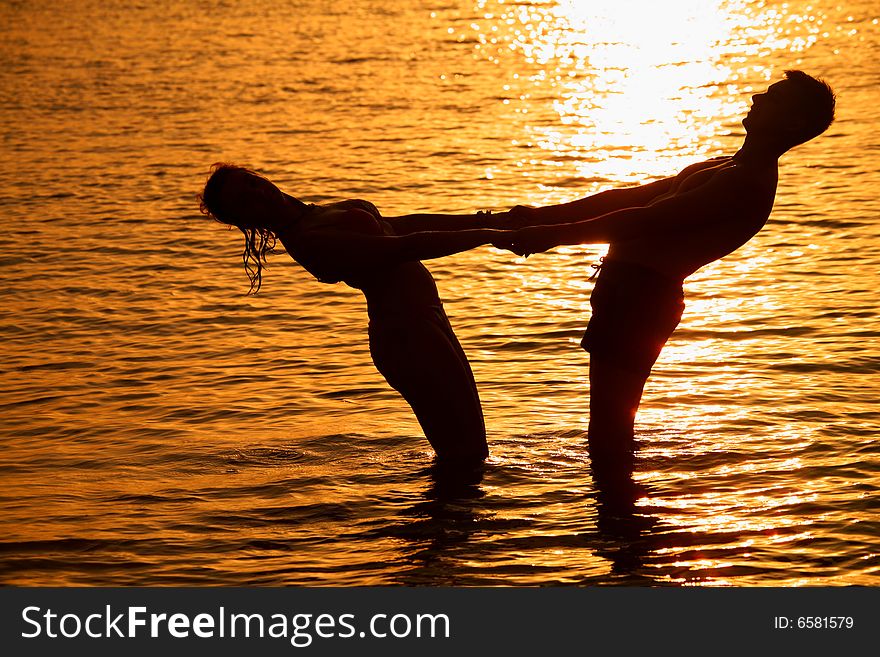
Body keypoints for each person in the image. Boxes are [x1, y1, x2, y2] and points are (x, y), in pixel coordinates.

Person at [498, 70, 836, 479]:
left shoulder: (748, 181)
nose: (756, 96)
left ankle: (620, 530)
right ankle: (618, 522)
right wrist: (540, 217)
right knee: (608, 431)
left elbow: (646, 219)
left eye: (773, 97)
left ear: (794, 123)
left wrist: (548, 236)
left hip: (642, 301)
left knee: (609, 434)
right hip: (626, 294)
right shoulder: (723, 165)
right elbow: (627, 198)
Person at [198, 164, 509, 465]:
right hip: (408, 336)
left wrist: (497, 221)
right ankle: (438, 516)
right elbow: (404, 247)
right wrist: (490, 234)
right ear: (245, 218)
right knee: (464, 458)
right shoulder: (308, 239)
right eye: (244, 200)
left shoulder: (314, 215)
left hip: (429, 320)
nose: (258, 193)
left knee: (471, 453)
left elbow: (403, 226)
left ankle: (445, 515)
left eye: (252, 182)